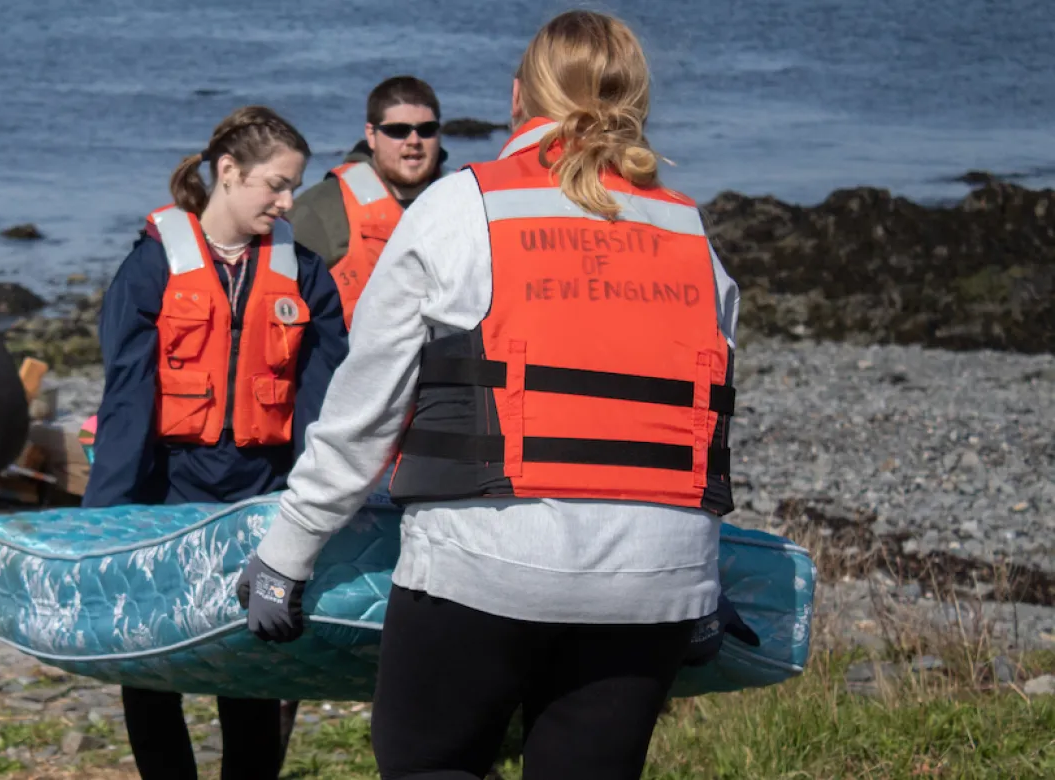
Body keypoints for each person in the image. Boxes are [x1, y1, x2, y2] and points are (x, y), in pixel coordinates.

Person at [239, 11, 758, 779]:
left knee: (429, 764)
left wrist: (287, 554)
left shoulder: (459, 207)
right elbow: (702, 420)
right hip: (657, 582)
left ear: (519, 97)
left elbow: (364, 412)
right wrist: (703, 583)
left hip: (484, 566)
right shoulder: (690, 234)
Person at [85, 106, 349, 780]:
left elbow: (323, 408)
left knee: (251, 669)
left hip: (260, 499)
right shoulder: (151, 269)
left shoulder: (306, 276)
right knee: (150, 671)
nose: (289, 201)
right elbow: (124, 403)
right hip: (164, 493)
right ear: (227, 174)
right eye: (276, 184)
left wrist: (315, 516)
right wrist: (104, 526)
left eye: (292, 186)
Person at [287, 76, 446, 330]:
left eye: (426, 130)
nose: (414, 141)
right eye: (398, 131)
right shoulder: (320, 209)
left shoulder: (462, 204)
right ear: (371, 135)